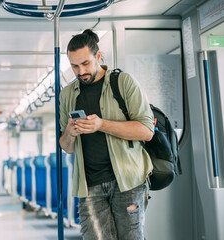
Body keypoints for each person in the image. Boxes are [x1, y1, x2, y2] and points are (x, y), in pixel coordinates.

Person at [58, 29, 155, 240]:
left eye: (85, 63)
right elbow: (67, 147)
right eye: (74, 66)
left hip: (128, 181)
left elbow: (146, 131)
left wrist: (101, 124)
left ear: (98, 56)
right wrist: (70, 133)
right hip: (90, 185)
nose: (80, 71)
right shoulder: (67, 95)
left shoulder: (123, 83)